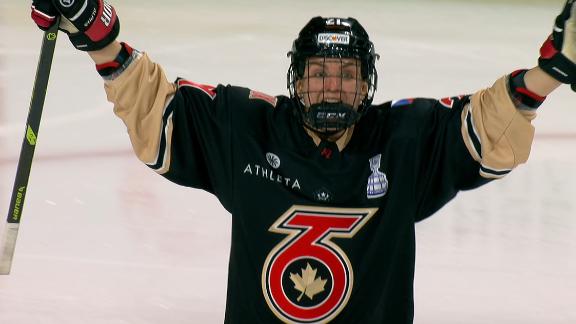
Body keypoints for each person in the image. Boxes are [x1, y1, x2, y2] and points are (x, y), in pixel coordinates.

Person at [30, 0, 575, 323]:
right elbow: (157, 109)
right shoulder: (247, 126)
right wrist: (96, 33)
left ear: (368, 84)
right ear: (296, 78)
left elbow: (487, 124)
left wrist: (554, 70)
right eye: (319, 73)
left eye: (345, 75)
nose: (331, 87)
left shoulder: (404, 138)